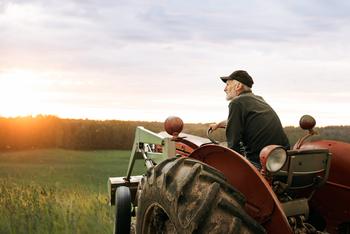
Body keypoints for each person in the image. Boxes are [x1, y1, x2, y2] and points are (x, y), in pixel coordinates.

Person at [209, 70, 290, 169]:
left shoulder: (237, 103)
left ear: (238, 86)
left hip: (259, 162)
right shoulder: (258, 99)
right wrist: (218, 125)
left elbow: (233, 142)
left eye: (228, 84)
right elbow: (240, 120)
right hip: (281, 158)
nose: (225, 89)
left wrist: (235, 163)